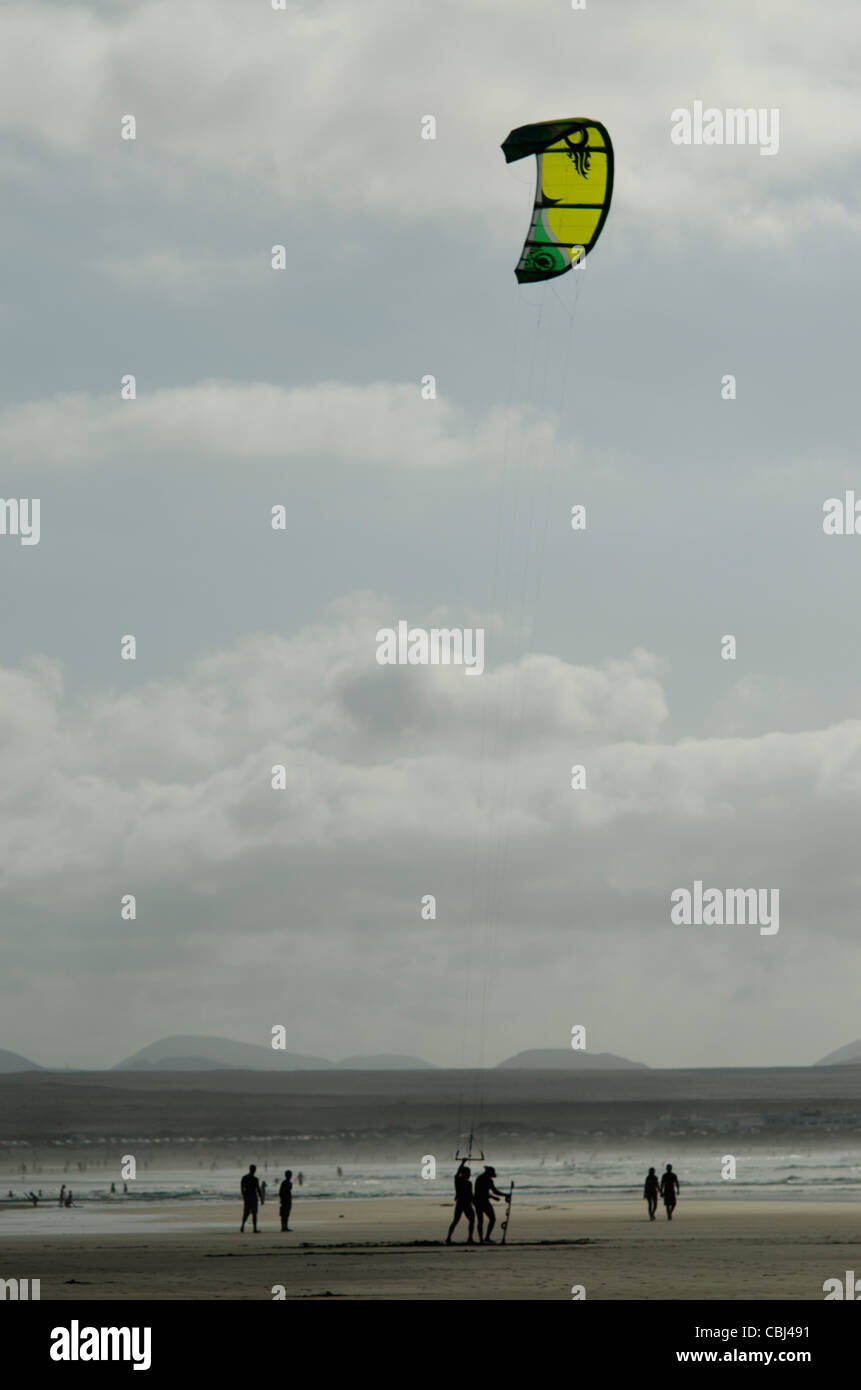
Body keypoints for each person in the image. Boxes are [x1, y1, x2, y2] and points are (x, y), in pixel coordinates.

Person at [445, 1161, 476, 1245]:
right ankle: (469, 1238)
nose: (469, 1174)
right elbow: (470, 1195)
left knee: (457, 1220)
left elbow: (471, 1195)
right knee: (470, 1220)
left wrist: (463, 1163)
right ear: (465, 1174)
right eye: (468, 1173)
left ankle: (449, 1238)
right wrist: (462, 1163)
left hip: (461, 1203)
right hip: (465, 1203)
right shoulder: (462, 1182)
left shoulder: (458, 1181)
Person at [473, 1166, 504, 1244]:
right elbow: (494, 1191)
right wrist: (505, 1195)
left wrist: (493, 1197)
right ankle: (486, 1237)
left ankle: (481, 1239)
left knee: (480, 1220)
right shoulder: (488, 1180)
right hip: (483, 1202)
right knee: (492, 1219)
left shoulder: (479, 1178)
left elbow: (481, 1192)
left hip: (477, 1201)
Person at [240, 1164, 262, 1233]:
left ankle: (243, 1226)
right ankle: (254, 1228)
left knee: (246, 1213)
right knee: (254, 1213)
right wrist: (261, 1198)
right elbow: (258, 1189)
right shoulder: (255, 1179)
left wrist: (243, 1195)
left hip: (248, 1197)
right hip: (253, 1196)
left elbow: (242, 1188)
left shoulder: (245, 1178)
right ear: (254, 1170)